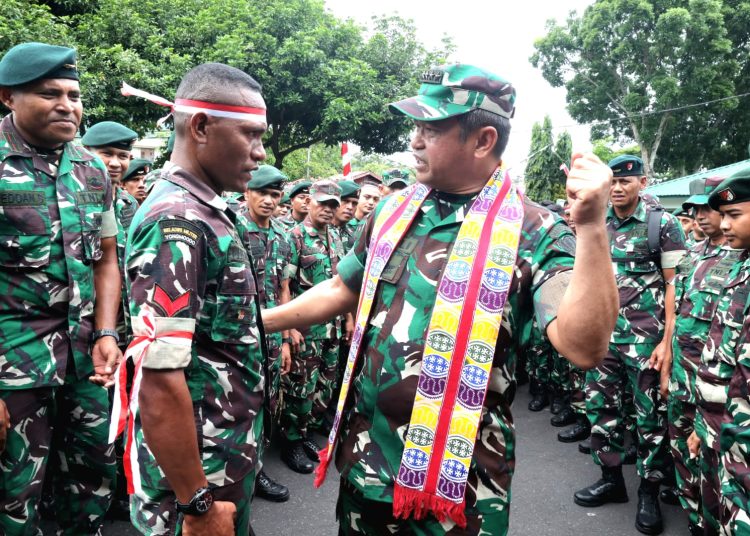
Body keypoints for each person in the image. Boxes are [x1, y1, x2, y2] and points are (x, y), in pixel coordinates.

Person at [263, 63, 618, 535]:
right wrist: (256, 320)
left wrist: (592, 227)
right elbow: (342, 288)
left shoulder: (534, 233)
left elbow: (584, 346)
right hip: (369, 463)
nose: (414, 141)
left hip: (461, 482)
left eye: (430, 129)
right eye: (416, 127)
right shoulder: (394, 210)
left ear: (483, 140)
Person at [120, 62, 268, 536]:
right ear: (201, 127)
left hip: (222, 457)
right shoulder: (178, 222)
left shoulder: (206, 209)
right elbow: (158, 379)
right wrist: (198, 505)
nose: (259, 153)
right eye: (250, 134)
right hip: (195, 482)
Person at [0, 42, 122, 535]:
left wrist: (107, 333)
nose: (67, 105)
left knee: (93, 475)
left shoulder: (91, 169)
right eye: (50, 93)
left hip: (85, 359)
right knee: (13, 493)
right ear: (8, 97)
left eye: (74, 94)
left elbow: (107, 259)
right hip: (13, 366)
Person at [575, 155, 686, 535]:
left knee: (649, 419)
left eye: (628, 181)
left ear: (643, 182)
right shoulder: (596, 224)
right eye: (614, 183)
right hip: (602, 338)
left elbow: (676, 285)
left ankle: (649, 493)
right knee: (600, 409)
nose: (619, 188)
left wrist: (667, 344)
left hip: (646, 342)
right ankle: (611, 480)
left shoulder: (662, 224)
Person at [666, 176, 738, 535]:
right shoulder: (691, 256)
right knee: (682, 450)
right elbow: (677, 308)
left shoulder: (738, 262)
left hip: (721, 396)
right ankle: (694, 513)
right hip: (686, 374)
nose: (707, 218)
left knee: (722, 478)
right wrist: (666, 353)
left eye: (715, 210)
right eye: (697, 210)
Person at [281, 179, 350, 474]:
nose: (328, 210)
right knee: (300, 386)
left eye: (333, 205)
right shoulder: (294, 236)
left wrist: (348, 319)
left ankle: (305, 431)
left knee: (324, 383)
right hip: (305, 328)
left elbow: (342, 283)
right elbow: (284, 286)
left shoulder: (335, 237)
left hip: (332, 328)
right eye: (323, 203)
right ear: (309, 202)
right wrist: (288, 328)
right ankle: (291, 441)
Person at [241, 164, 294, 503]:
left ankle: (257, 470)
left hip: (272, 339)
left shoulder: (282, 237)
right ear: (247, 192)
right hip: (239, 337)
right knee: (239, 408)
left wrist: (287, 338)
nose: (269, 201)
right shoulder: (232, 229)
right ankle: (240, 477)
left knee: (266, 404)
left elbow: (283, 289)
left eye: (275, 195)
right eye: (263, 192)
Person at [709, 167, 750, 534]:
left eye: (734, 215)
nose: (724, 225)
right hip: (733, 433)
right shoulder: (740, 267)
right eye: (723, 215)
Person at [332, 179, 361, 253]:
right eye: (346, 201)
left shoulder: (356, 234)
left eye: (354, 203)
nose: (350, 207)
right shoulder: (321, 230)